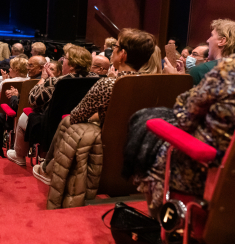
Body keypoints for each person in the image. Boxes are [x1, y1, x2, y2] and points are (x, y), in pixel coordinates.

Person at [33, 28, 156, 184]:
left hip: (107, 144)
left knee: (67, 121)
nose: (112, 51)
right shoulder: (152, 83)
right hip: (138, 146)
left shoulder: (107, 84)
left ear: (123, 55)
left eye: (116, 47)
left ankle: (47, 169)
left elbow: (78, 115)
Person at [125, 55, 235, 217]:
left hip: (209, 168)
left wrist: (179, 80)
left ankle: (160, 221)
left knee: (145, 127)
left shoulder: (229, 69)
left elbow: (185, 119)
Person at [7, 45, 97, 166]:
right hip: (84, 124)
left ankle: (19, 156)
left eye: (65, 58)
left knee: (25, 115)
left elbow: (32, 99)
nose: (62, 61)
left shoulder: (54, 82)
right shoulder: (95, 79)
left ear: (72, 65)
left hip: (53, 125)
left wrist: (43, 79)